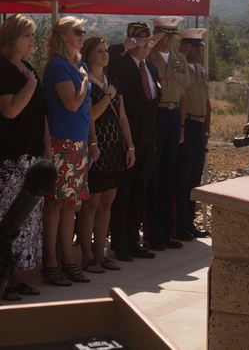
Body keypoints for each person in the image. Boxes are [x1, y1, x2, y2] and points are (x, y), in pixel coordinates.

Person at [0, 14, 48, 300]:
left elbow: (40, 115)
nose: (32, 41)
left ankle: (16, 278)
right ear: (12, 38)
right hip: (9, 158)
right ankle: (0, 280)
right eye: (27, 36)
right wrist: (31, 86)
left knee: (27, 222)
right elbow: (9, 109)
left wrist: (46, 154)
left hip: (31, 158)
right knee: (7, 220)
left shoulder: (28, 68)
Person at [76, 36, 135, 274]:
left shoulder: (115, 82)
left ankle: (101, 254)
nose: (104, 54)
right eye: (99, 51)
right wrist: (108, 96)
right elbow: (91, 115)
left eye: (105, 51)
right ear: (89, 55)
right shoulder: (85, 82)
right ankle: (87, 257)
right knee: (92, 203)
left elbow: (122, 117)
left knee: (107, 203)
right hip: (95, 148)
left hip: (114, 149)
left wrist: (129, 146)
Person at [41, 16, 92, 286]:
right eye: (77, 31)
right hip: (61, 142)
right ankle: (50, 263)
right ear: (62, 36)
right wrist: (84, 82)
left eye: (83, 31)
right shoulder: (57, 66)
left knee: (70, 204)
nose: (82, 35)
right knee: (54, 203)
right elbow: (72, 104)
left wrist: (92, 142)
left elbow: (86, 110)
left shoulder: (79, 64)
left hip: (79, 141)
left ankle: (68, 261)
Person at [107, 22, 161, 262]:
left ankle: (133, 239)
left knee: (140, 191)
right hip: (127, 137)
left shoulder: (150, 66)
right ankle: (120, 243)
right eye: (138, 41)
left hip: (147, 138)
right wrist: (124, 47)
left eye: (147, 42)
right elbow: (106, 57)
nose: (144, 46)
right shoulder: (119, 63)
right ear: (129, 41)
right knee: (125, 193)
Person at [146, 16, 191, 251]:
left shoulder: (179, 59)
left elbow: (183, 96)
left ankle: (166, 232)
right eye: (166, 33)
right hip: (155, 116)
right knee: (152, 177)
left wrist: (182, 126)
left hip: (173, 117)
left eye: (173, 34)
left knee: (168, 177)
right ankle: (152, 234)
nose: (170, 38)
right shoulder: (147, 56)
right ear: (156, 33)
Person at [174, 28, 211, 241]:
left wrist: (207, 130)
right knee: (183, 177)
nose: (197, 51)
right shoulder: (179, 67)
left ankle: (189, 223)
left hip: (198, 126)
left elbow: (207, 103)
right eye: (194, 46)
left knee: (194, 179)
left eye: (198, 47)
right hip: (185, 124)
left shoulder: (200, 70)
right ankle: (179, 224)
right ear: (185, 46)